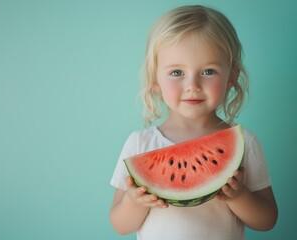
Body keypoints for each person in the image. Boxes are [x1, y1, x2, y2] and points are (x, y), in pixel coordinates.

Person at [109, 5, 278, 240]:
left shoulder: (244, 143)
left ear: (231, 77)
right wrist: (134, 201)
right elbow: (120, 224)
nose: (193, 85)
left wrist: (239, 196)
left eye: (208, 71)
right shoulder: (140, 143)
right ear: (155, 80)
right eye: (177, 73)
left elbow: (267, 219)